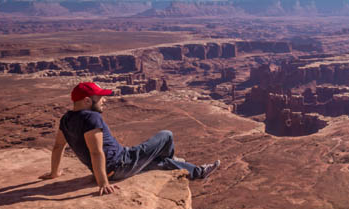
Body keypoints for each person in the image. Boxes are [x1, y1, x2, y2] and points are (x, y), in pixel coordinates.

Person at [41, 81, 220, 195]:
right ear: (87, 101)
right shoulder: (91, 117)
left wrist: (54, 173)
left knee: (160, 165)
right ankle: (169, 158)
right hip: (121, 164)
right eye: (100, 97)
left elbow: (58, 147)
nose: (105, 100)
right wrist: (102, 183)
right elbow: (96, 152)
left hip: (116, 166)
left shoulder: (66, 119)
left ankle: (198, 172)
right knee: (166, 135)